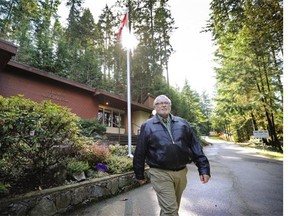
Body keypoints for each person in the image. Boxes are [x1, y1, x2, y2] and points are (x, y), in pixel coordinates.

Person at [133, 94, 211, 216]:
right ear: (155, 107)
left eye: (166, 103)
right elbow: (140, 151)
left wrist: (204, 168)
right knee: (170, 209)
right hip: (160, 173)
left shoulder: (183, 123)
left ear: (170, 106)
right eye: (159, 103)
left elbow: (195, 146)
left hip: (181, 172)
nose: (163, 104)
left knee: (171, 207)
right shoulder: (147, 126)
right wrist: (139, 174)